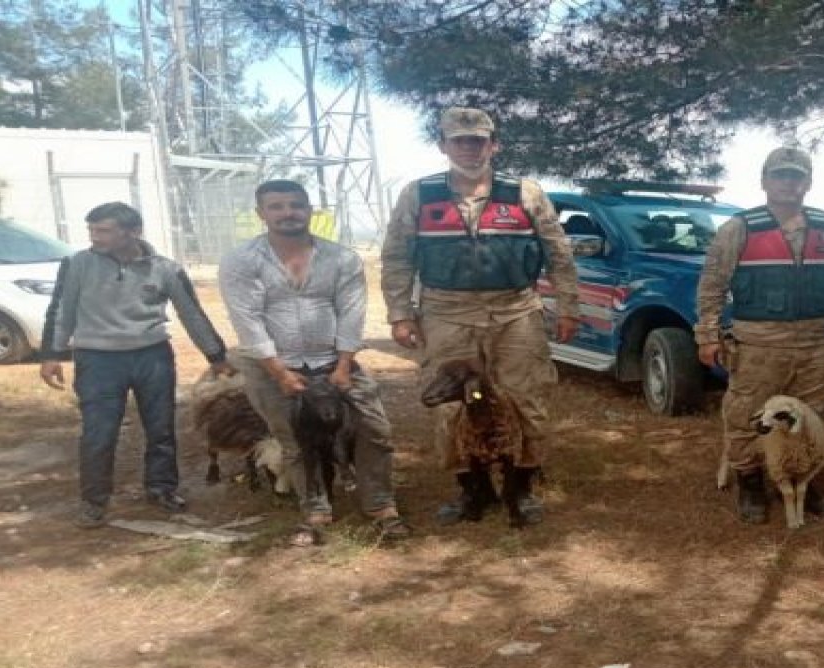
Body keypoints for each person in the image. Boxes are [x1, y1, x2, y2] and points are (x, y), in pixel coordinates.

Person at [380, 107, 580, 525]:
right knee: (451, 407)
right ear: (443, 146)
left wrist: (568, 306)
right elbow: (397, 256)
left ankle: (521, 487)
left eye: (478, 141)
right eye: (459, 141)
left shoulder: (525, 193)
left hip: (515, 312)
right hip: (446, 313)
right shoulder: (419, 194)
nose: (469, 148)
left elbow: (558, 253)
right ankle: (473, 490)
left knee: (527, 399)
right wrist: (400, 313)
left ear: (494, 145)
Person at [219, 180, 409, 545]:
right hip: (271, 367)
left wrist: (343, 366)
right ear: (261, 214)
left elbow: (351, 313)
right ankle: (316, 509)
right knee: (294, 439)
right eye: (276, 206)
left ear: (309, 210)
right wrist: (279, 373)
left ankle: (380, 505)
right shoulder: (241, 261)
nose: (287, 212)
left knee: (374, 430)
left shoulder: (341, 258)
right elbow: (248, 320)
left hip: (333, 363)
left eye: (295, 205)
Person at [39, 202, 232, 528]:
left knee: (161, 429)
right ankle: (94, 501)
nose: (94, 237)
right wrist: (51, 354)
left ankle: (162, 488)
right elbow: (62, 309)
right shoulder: (77, 264)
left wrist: (216, 357)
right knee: (98, 433)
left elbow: (192, 313)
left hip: (152, 356)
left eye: (103, 230)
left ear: (133, 232)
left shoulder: (165, 269)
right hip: (97, 360)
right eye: (91, 230)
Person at [696, 146, 824, 524]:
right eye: (780, 175)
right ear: (765, 181)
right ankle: (750, 482)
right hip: (759, 345)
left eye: (796, 176)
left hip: (817, 344)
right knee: (747, 416)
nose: (789, 183)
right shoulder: (739, 229)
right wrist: (707, 335)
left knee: (812, 418)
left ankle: (806, 479)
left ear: (808, 182)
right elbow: (712, 287)